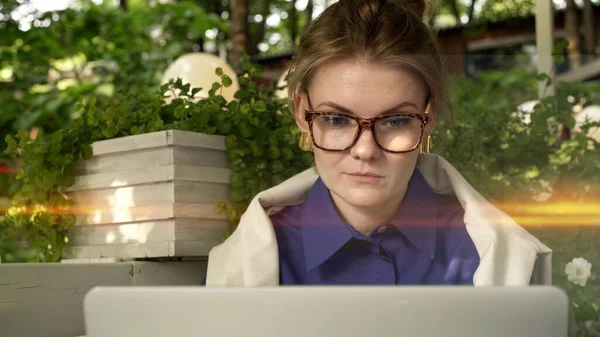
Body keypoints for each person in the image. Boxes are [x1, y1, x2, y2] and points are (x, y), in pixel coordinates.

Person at [203, 0, 551, 286]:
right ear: (302, 113)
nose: (365, 150)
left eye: (396, 120)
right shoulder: (245, 266)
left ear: (428, 118)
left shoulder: (493, 259)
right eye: (336, 119)